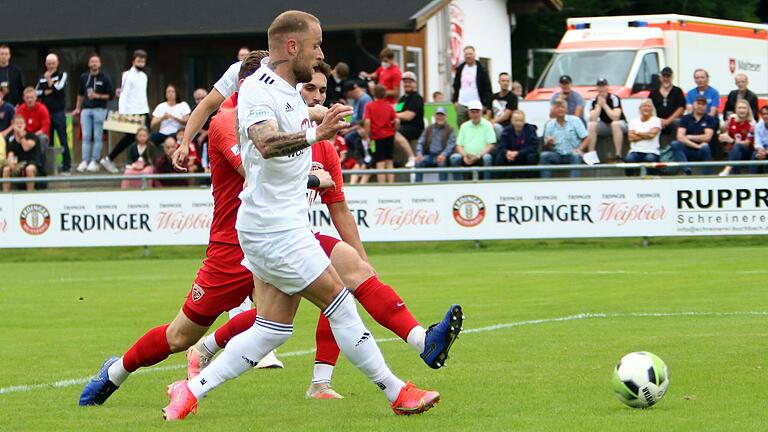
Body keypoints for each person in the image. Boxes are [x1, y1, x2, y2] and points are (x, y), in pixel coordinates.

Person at [162, 10, 445, 420]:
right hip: (274, 230)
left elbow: (290, 126)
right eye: (315, 46)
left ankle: (188, 391)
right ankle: (397, 392)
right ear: (291, 46)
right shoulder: (259, 90)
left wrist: (318, 118)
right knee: (341, 303)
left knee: (271, 329)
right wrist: (316, 133)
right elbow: (264, 142)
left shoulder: (289, 90)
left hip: (276, 227)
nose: (320, 54)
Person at [78, 51, 325, 407]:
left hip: (274, 234)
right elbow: (257, 171)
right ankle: (116, 371)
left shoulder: (273, 115)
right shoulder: (227, 122)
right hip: (231, 248)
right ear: (251, 83)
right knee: (178, 336)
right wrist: (314, 174)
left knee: (309, 304)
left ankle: (366, 383)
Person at [101, 50, 150, 174]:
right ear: (133, 61)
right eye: (139, 60)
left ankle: (141, 161)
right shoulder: (127, 75)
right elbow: (124, 95)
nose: (141, 63)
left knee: (145, 138)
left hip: (143, 111)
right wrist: (123, 113)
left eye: (143, 60)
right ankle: (110, 158)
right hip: (131, 113)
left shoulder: (144, 76)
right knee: (130, 139)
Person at [72, 53, 114, 173]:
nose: (94, 64)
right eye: (92, 61)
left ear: (99, 64)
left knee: (97, 136)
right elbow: (80, 94)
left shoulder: (105, 77)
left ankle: (94, 161)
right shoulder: (84, 77)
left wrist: (98, 96)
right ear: (89, 64)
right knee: (85, 136)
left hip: (99, 109)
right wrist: (77, 108)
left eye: (96, 62)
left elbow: (110, 96)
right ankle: (85, 160)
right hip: (86, 110)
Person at [35, 53, 70, 173]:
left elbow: (59, 88)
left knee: (62, 139)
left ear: (57, 63)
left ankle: (66, 166)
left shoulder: (62, 75)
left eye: (53, 63)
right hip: (46, 113)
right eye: (49, 63)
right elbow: (36, 93)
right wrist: (47, 91)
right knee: (46, 141)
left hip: (59, 113)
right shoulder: (41, 77)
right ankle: (47, 167)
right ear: (45, 64)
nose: (51, 66)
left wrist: (49, 80)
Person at [540, 99, 588, 178]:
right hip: (557, 154)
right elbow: (546, 146)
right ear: (554, 110)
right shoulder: (549, 124)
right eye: (558, 107)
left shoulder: (575, 120)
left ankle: (574, 183)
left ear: (566, 109)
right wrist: (549, 143)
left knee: (576, 156)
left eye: (562, 107)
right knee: (544, 156)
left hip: (572, 153)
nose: (560, 109)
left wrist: (580, 148)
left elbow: (586, 137)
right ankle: (545, 183)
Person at [449, 100, 495, 180]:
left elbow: (491, 145)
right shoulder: (464, 126)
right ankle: (457, 184)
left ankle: (487, 183)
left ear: (481, 112)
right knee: (454, 158)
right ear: (469, 113)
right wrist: (465, 155)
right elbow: (459, 145)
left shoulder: (487, 125)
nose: (475, 114)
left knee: (487, 158)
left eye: (477, 112)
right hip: (467, 156)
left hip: (481, 155)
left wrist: (478, 155)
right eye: (472, 112)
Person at [671, 95, 716, 175]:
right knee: (675, 144)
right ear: (694, 104)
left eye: (703, 104)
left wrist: (690, 137)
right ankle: (686, 169)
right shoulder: (685, 118)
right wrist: (696, 146)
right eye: (698, 103)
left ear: (706, 106)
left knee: (705, 146)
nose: (700, 106)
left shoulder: (709, 119)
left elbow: (707, 137)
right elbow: (680, 137)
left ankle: (708, 176)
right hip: (688, 149)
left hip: (702, 151)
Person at [364, 85, 399, 184]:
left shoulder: (369, 106)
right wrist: (394, 131)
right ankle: (391, 184)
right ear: (384, 94)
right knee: (389, 161)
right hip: (389, 136)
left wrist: (367, 135)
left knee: (380, 162)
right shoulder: (389, 106)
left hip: (377, 137)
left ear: (374, 93)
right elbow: (397, 121)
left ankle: (382, 185)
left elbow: (367, 121)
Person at [587, 78, 627, 161]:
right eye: (599, 86)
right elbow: (593, 118)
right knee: (592, 125)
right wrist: (598, 106)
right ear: (597, 88)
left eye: (603, 86)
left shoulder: (614, 98)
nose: (601, 88)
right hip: (604, 125)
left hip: (620, 124)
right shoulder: (593, 100)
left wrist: (605, 105)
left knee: (615, 124)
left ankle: (618, 155)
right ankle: (591, 155)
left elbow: (615, 117)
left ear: (607, 87)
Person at [452, 46, 492, 127]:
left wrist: (485, 104)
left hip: (476, 103)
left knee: (477, 127)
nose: (468, 56)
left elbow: (487, 87)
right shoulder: (460, 68)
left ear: (474, 54)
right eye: (466, 54)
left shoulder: (481, 69)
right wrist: (455, 101)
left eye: (470, 54)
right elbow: (456, 85)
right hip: (462, 103)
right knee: (462, 127)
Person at [415, 107, 455, 182]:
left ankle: (443, 186)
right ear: (435, 116)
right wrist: (419, 153)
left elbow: (451, 145)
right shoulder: (428, 128)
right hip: (429, 155)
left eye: (442, 115)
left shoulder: (451, 129)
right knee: (418, 162)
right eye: (438, 115)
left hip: (443, 156)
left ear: (446, 117)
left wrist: (443, 154)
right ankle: (418, 186)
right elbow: (420, 142)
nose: (440, 117)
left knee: (442, 162)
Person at [494, 110, 538, 178]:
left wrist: (518, 153)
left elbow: (533, 147)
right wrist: (507, 152)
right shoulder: (506, 131)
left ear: (524, 121)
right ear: (511, 121)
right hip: (510, 157)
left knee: (532, 157)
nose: (518, 123)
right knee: (500, 157)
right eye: (516, 120)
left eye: (521, 121)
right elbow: (501, 147)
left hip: (524, 155)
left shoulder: (531, 130)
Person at [2, 115, 41, 192]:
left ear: (25, 125)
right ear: (13, 125)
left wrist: (21, 135)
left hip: (32, 163)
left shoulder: (32, 136)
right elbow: (11, 154)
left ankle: (30, 193)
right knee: (6, 169)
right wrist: (11, 163)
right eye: (17, 123)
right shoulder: (11, 141)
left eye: (21, 123)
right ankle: (5, 194)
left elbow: (26, 147)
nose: (19, 125)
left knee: (29, 169)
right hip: (19, 164)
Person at [718, 99, 755, 176]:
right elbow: (727, 133)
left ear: (748, 110)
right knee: (736, 152)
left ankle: (727, 169)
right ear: (736, 109)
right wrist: (723, 136)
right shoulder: (731, 119)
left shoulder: (752, 123)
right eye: (739, 108)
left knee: (737, 146)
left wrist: (732, 141)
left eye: (744, 108)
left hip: (748, 151)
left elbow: (747, 143)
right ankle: (736, 176)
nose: (741, 110)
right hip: (734, 152)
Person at [624, 99, 662, 176]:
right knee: (629, 159)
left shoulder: (656, 120)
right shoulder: (633, 121)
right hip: (636, 150)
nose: (646, 108)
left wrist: (637, 133)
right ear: (640, 108)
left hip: (652, 151)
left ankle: (651, 179)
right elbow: (631, 138)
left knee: (650, 159)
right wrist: (647, 135)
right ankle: (630, 180)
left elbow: (651, 135)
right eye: (644, 106)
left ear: (652, 109)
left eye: (648, 106)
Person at [649, 67, 685, 142]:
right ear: (660, 78)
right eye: (664, 76)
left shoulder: (677, 91)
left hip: (673, 121)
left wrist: (668, 121)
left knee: (677, 123)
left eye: (668, 76)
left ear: (672, 77)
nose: (666, 78)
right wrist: (658, 120)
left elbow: (681, 108)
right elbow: (649, 107)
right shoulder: (654, 92)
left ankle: (672, 148)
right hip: (658, 120)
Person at [394, 71, 422, 167]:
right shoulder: (402, 99)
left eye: (410, 82)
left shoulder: (417, 98)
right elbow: (398, 112)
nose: (407, 84)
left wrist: (392, 115)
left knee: (395, 134)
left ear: (415, 83)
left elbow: (408, 116)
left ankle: (411, 157)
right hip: (402, 126)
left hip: (414, 128)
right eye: (405, 82)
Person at [489, 72, 518, 138]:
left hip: (506, 126)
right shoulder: (493, 97)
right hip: (492, 124)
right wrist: (487, 123)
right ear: (499, 82)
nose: (505, 83)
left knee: (496, 127)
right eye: (503, 81)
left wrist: (491, 122)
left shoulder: (512, 97)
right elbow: (489, 112)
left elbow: (505, 116)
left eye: (507, 81)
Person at [753, 106, 768, 173]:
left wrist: (766, 152)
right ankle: (752, 179)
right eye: (764, 114)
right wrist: (760, 150)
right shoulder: (758, 126)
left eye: (767, 114)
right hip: (763, 150)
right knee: (755, 155)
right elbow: (757, 142)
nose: (765, 116)